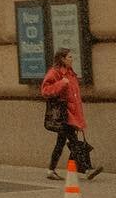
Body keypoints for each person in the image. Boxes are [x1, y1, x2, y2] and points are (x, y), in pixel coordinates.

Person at [41, 48, 100, 180]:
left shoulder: (70, 74)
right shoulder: (55, 73)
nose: (72, 59)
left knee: (61, 142)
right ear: (62, 59)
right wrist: (61, 84)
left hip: (71, 114)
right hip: (63, 114)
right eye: (69, 57)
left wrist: (79, 118)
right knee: (73, 141)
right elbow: (45, 90)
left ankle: (51, 170)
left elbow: (75, 98)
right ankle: (86, 169)